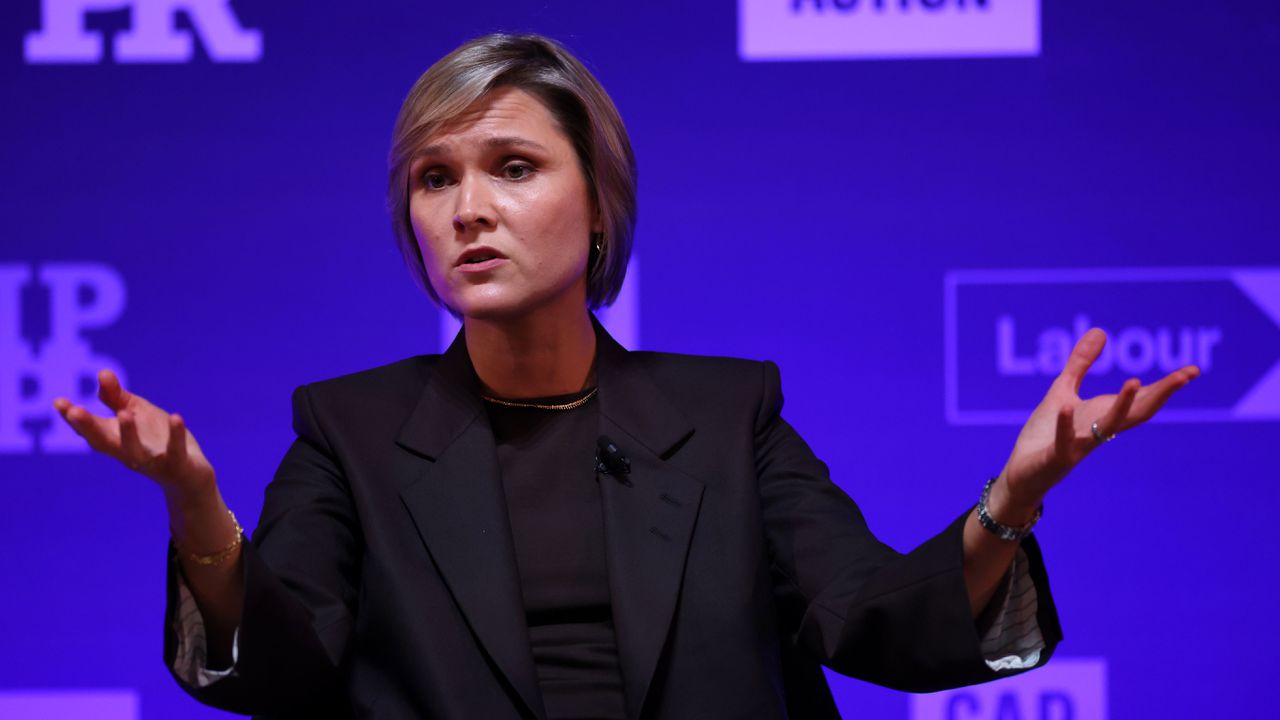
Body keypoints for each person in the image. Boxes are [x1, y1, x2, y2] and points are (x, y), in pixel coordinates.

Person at [51, 33, 1198, 720]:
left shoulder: (724, 415)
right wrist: (196, 512)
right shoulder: (349, 432)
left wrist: (1009, 500)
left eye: (512, 167)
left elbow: (873, 625)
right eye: (434, 179)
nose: (468, 209)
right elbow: (279, 673)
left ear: (598, 205)